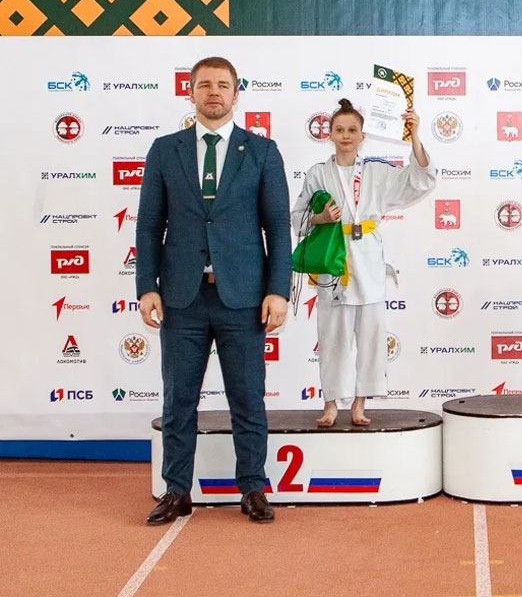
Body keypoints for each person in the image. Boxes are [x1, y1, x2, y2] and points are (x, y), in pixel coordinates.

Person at [136, 56, 291, 525]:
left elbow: (278, 226)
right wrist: (146, 286)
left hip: (243, 298)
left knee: (247, 399)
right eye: (205, 85)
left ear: (236, 93)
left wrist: (278, 290)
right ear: (191, 92)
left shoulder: (262, 151)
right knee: (178, 400)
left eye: (223, 85)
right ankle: (176, 491)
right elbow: (149, 226)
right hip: (181, 298)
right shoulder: (165, 150)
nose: (214, 93)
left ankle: (253, 489)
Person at [292, 98, 435, 428]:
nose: (346, 136)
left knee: (371, 337)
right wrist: (320, 218)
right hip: (333, 261)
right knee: (332, 337)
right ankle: (331, 403)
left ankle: (360, 402)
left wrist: (414, 135)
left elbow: (420, 179)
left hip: (367, 260)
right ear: (329, 134)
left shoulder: (377, 172)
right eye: (339, 130)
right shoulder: (317, 174)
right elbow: (297, 217)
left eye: (352, 130)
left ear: (362, 136)